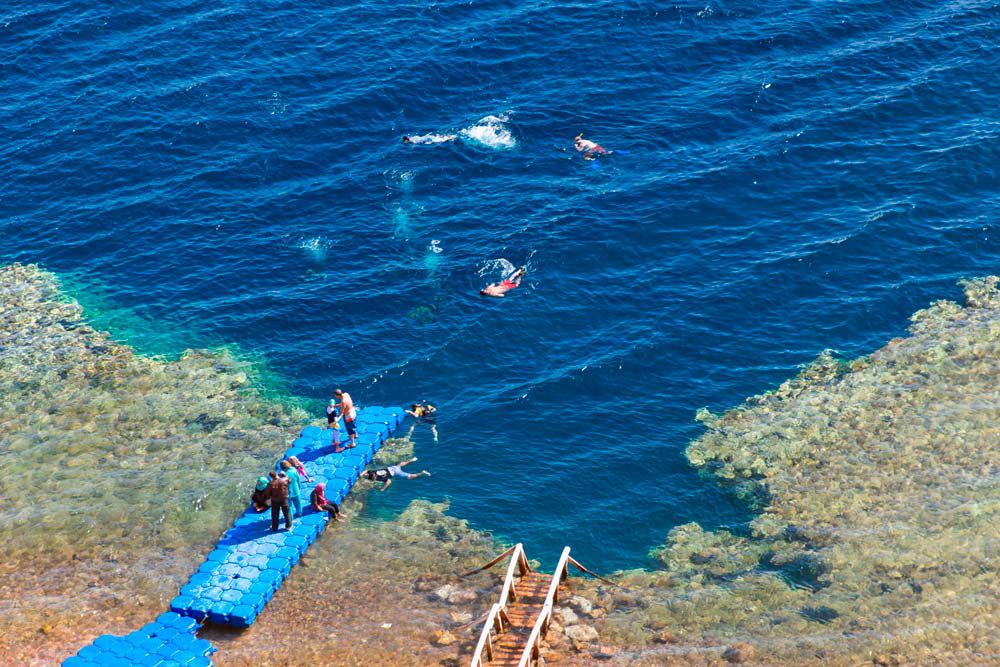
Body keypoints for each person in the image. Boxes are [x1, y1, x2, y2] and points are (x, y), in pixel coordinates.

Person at [361, 457, 431, 491]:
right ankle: (412, 460)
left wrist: (383, 488)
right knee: (400, 465)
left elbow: (389, 481)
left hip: (396, 472)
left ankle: (422, 473)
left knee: (410, 477)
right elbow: (366, 471)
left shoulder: (379, 478)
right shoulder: (373, 472)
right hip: (392, 467)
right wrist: (361, 475)